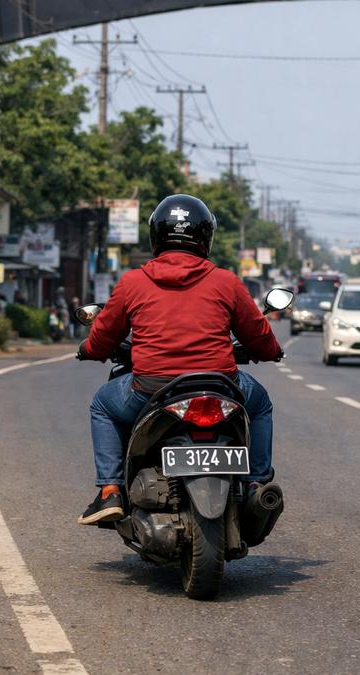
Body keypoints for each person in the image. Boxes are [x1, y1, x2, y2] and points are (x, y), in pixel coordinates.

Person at [76, 194, 282, 525]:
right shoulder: (226, 281)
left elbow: (104, 336)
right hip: (221, 386)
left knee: (102, 405)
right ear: (205, 237)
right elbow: (258, 334)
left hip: (150, 389)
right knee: (260, 403)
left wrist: (89, 350)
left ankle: (110, 491)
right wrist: (271, 351)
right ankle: (256, 483)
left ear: (156, 235)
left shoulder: (132, 282)